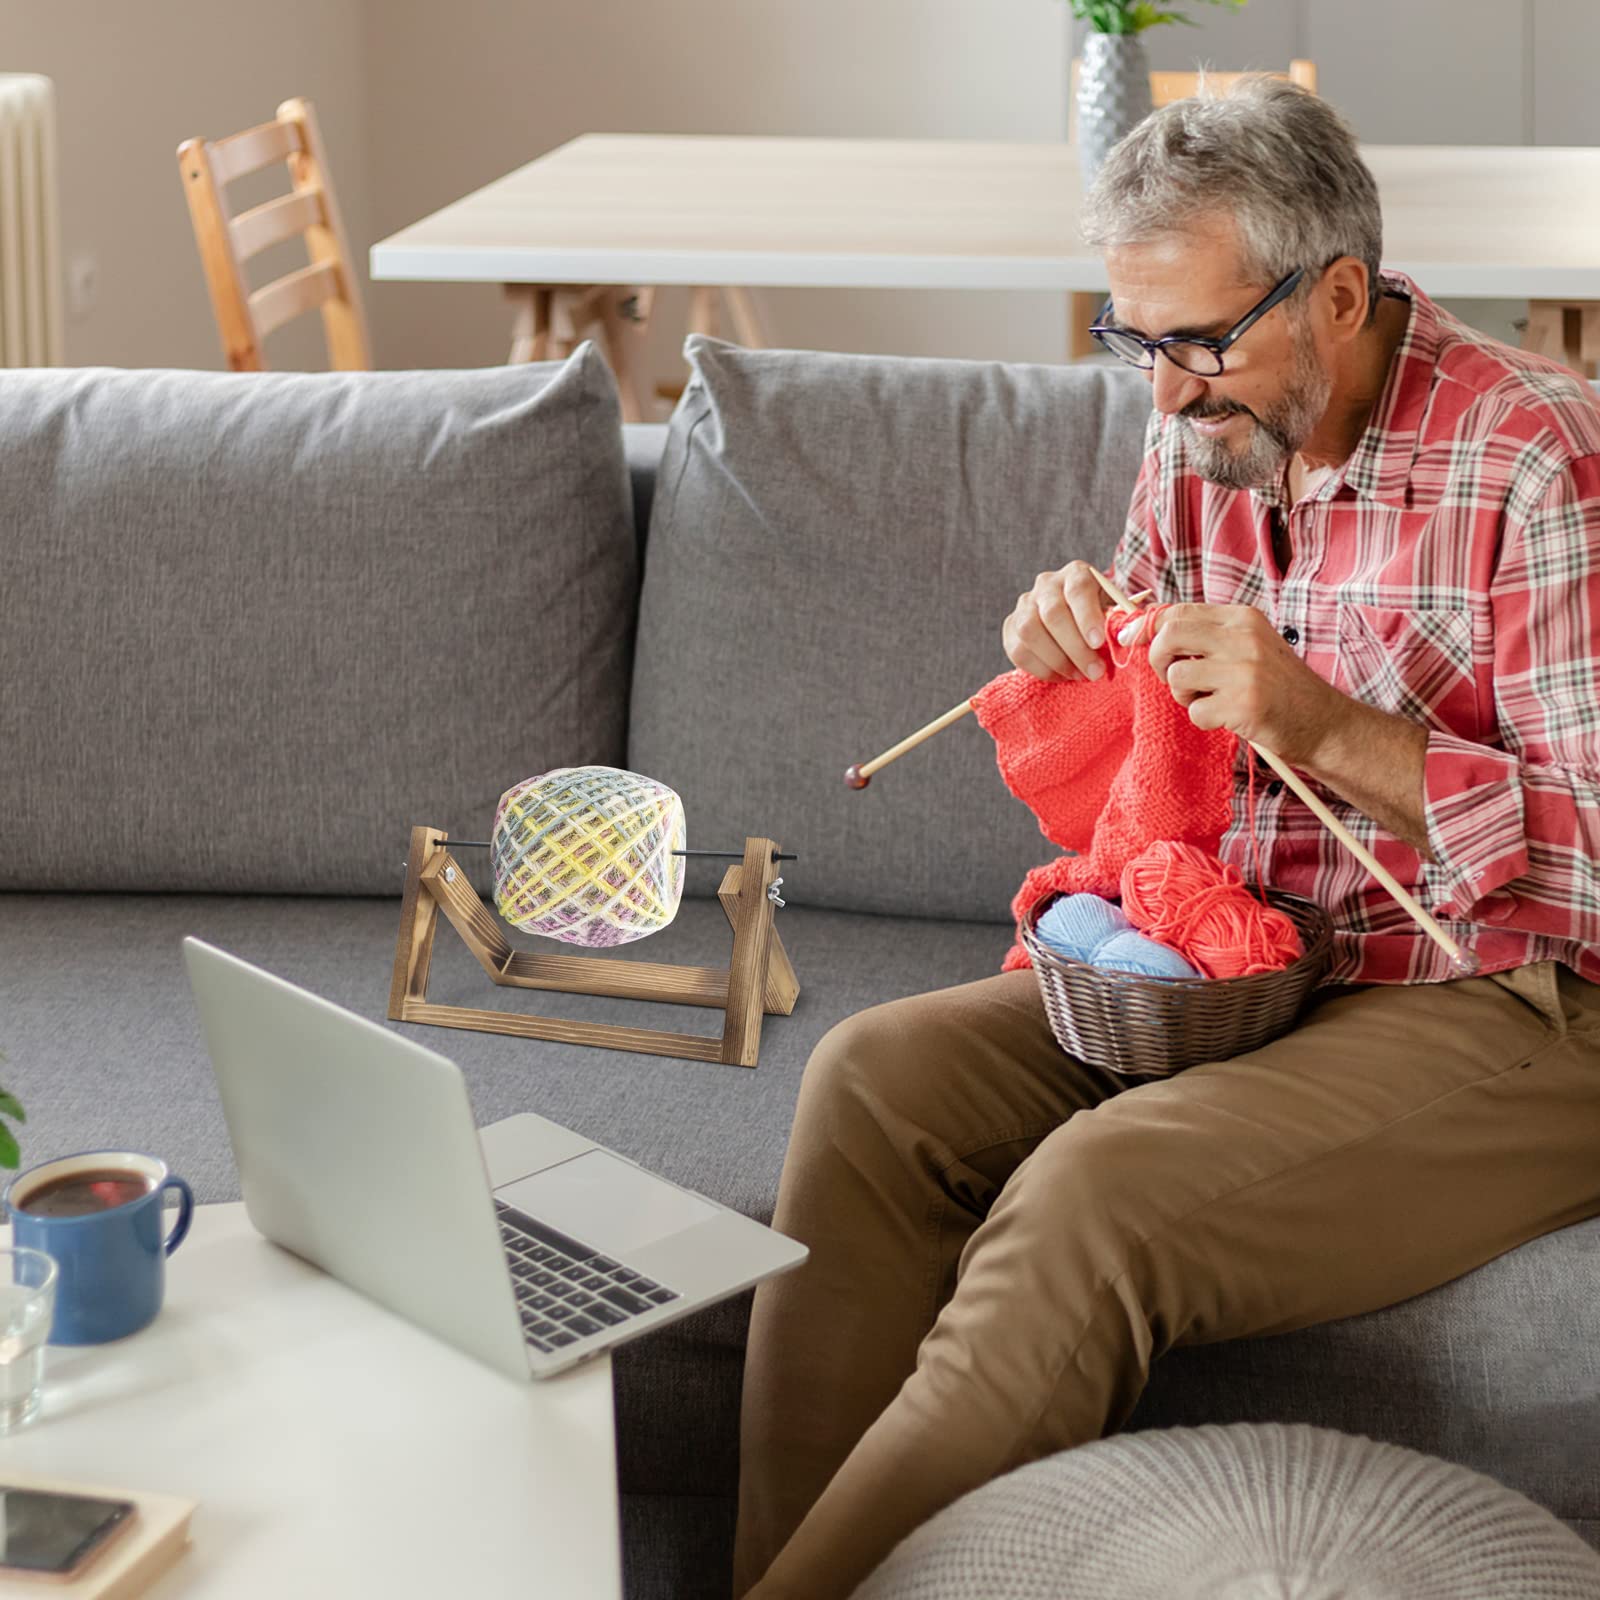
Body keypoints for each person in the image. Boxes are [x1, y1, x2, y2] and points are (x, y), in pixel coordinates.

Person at [732, 77, 1600, 1600]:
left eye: (1199, 345)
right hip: (1240, 952)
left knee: (1092, 1198)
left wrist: (1329, 728)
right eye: (1134, 344)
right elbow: (1158, 727)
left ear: (1340, 295)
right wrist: (1078, 645)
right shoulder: (1204, 426)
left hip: (1509, 994)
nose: (1165, 396)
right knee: (870, 1080)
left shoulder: (1537, 462)